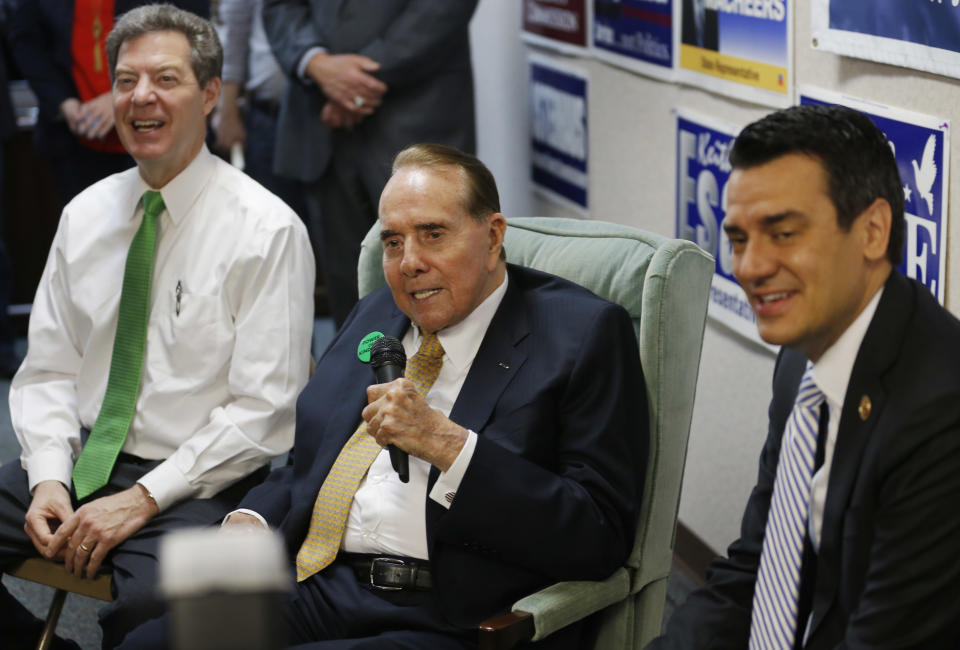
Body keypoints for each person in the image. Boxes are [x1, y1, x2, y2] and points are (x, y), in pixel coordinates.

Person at [120, 143, 647, 649]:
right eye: (393, 241)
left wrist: (449, 445)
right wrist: (250, 519)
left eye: (433, 234)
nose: (408, 262)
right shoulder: (378, 314)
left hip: (449, 614)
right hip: (317, 584)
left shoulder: (580, 335)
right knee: (146, 639)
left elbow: (597, 534)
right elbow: (309, 464)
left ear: (492, 237)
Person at [0, 5, 314, 649]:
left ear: (208, 95)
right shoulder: (84, 215)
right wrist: (50, 476)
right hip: (87, 459)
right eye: (125, 79)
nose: (141, 96)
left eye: (165, 79)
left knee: (161, 614)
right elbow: (49, 371)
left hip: (206, 481)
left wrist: (143, 498)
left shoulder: (267, 229)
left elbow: (264, 412)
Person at [650, 105, 960, 649]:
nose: (749, 267)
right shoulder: (801, 357)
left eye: (784, 233)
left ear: (872, 230)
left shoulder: (942, 411)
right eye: (739, 238)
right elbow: (759, 562)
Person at [262, 0, 479, 327]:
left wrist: (353, 82)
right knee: (347, 294)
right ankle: (355, 378)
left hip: (417, 114)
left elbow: (440, 9)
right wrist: (317, 65)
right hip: (322, 123)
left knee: (435, 282)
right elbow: (280, 6)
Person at [8, 0, 209, 206]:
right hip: (72, 138)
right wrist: (63, 102)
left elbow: (193, 34)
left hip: (161, 135)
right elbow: (25, 39)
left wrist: (124, 94)